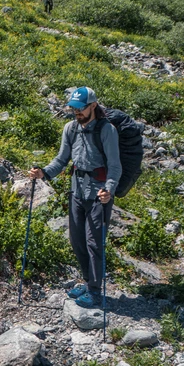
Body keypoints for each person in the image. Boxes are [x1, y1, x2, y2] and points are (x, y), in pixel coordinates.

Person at [29, 87, 121, 308]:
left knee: (94, 242)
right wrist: (44, 172)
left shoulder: (107, 130)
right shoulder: (70, 129)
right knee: (76, 240)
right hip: (77, 191)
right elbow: (61, 159)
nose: (76, 112)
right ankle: (88, 282)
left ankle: (95, 291)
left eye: (80, 108)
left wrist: (109, 189)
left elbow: (115, 166)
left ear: (93, 106)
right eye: (73, 108)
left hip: (99, 194)